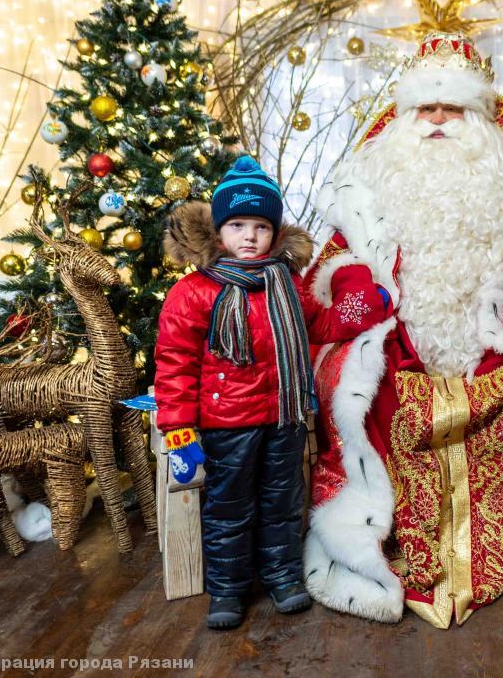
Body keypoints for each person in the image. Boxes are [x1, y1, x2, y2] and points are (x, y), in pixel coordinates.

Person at [301, 32, 503, 628]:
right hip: (401, 337)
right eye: (426, 108)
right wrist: (350, 285)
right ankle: (380, 544)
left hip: (495, 335)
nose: (438, 120)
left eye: (454, 109)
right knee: (359, 384)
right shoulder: (371, 178)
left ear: (481, 116)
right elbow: (333, 257)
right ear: (404, 113)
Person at [154, 155, 392, 630]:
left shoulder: (287, 284)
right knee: (228, 509)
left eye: (260, 226)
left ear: (275, 232)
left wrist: (367, 306)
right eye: (237, 225)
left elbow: (321, 324)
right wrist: (179, 429)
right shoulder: (195, 293)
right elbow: (175, 365)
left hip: (283, 419)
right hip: (227, 424)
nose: (248, 236)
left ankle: (283, 576)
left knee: (282, 503)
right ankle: (228, 589)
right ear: (218, 232)